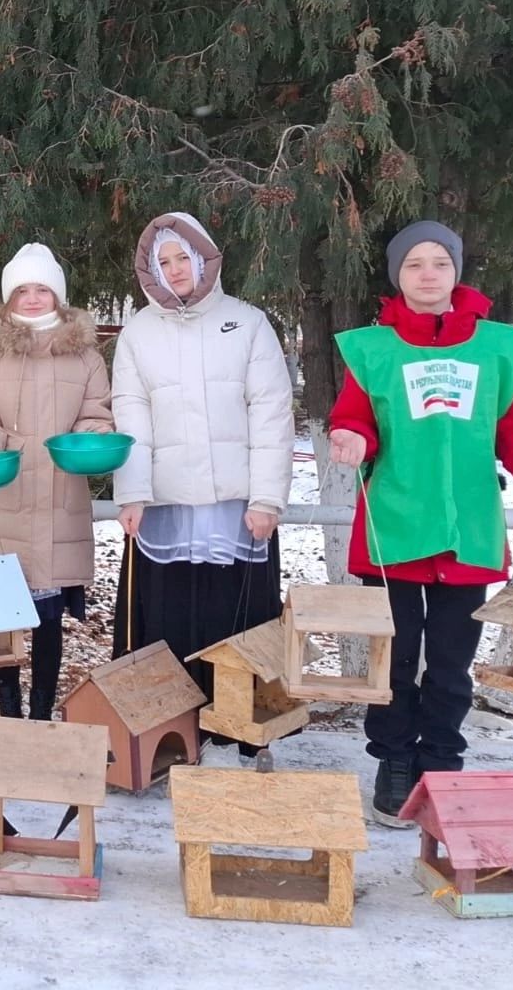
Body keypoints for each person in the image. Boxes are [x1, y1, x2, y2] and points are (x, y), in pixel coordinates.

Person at [328, 220, 513, 825]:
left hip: (468, 535)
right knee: (395, 654)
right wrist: (350, 437)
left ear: (456, 271)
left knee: (450, 662)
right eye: (414, 264)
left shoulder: (496, 349)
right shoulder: (371, 350)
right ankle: (392, 759)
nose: (428, 274)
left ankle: (440, 761)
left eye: (440, 262)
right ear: (397, 277)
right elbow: (355, 418)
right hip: (396, 529)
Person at [111, 211, 294, 771]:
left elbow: (271, 413)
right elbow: (130, 416)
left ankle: (242, 734)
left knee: (238, 622)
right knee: (166, 620)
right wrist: (132, 494)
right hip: (165, 508)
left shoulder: (248, 323)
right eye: (163, 262)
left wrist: (266, 499)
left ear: (204, 259)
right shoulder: (139, 332)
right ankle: (170, 736)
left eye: (182, 259)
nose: (174, 270)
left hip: (236, 510)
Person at [0, 243, 113, 721]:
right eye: (21, 290)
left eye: (41, 288)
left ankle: (42, 712)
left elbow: (95, 412)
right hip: (3, 501)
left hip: (58, 502)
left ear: (58, 296)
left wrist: (91, 438)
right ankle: (7, 712)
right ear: (8, 299)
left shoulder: (85, 356)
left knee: (48, 620)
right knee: (3, 617)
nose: (31, 298)